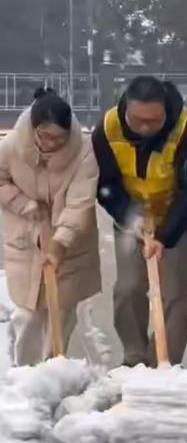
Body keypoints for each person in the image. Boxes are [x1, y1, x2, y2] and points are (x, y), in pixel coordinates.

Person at [92, 76, 187, 367]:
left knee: (173, 293)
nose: (144, 127)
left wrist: (165, 238)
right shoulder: (107, 128)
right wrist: (131, 217)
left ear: (165, 110)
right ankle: (134, 357)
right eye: (137, 119)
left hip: (179, 222)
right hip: (131, 219)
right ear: (126, 109)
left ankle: (164, 361)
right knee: (128, 288)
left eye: (153, 121)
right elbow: (106, 187)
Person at [0, 89, 101, 366]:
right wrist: (23, 204)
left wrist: (59, 243)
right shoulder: (11, 147)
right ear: (34, 129)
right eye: (45, 136)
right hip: (27, 239)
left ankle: (53, 370)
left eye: (59, 138)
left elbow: (80, 204)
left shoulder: (83, 152)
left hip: (69, 243)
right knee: (28, 313)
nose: (51, 144)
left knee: (61, 312)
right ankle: (25, 377)